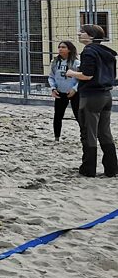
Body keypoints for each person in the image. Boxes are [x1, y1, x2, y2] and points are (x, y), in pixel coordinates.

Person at [67, 24, 116, 177]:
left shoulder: (89, 51)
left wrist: (71, 73)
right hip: (107, 96)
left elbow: (87, 75)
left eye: (82, 32)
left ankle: (88, 170)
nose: (79, 33)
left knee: (88, 133)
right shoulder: (107, 53)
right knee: (105, 133)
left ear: (91, 36)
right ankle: (112, 169)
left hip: (91, 97)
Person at [48, 40, 80, 141]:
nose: (60, 49)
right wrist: (53, 88)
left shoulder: (76, 63)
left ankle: (85, 136)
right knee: (58, 115)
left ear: (69, 49)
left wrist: (75, 89)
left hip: (74, 93)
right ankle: (56, 137)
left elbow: (82, 79)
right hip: (60, 92)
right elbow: (51, 77)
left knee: (79, 115)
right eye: (59, 47)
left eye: (63, 47)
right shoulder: (55, 62)